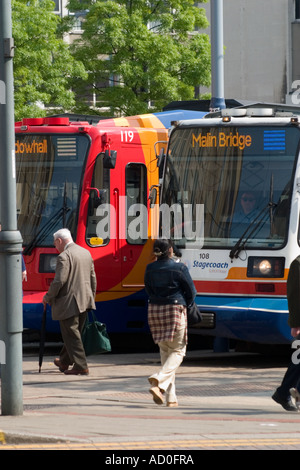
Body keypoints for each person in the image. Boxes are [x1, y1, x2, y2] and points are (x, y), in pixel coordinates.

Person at [144, 238, 196, 407]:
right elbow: (192, 293)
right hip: (174, 310)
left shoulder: (149, 268)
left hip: (154, 311)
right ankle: (158, 379)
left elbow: (148, 289)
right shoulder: (179, 268)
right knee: (178, 351)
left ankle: (170, 397)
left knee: (166, 351)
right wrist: (186, 305)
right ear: (171, 251)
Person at [43, 228, 97, 375]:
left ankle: (81, 365)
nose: (55, 247)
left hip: (69, 303)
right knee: (74, 333)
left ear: (59, 241)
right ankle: (65, 361)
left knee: (72, 334)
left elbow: (59, 281)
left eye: (55, 244)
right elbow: (93, 278)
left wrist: (48, 297)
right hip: (85, 300)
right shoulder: (85, 252)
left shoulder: (64, 256)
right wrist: (91, 297)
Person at [272, 255, 300, 412]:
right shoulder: (298, 264)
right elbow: (295, 296)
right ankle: (283, 393)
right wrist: (295, 323)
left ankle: (285, 393)